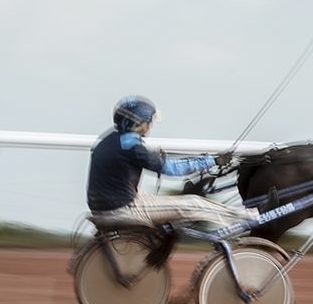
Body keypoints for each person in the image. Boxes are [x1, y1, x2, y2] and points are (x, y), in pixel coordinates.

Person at [87, 95, 246, 231]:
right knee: (193, 203)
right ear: (138, 123)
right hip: (121, 210)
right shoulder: (132, 147)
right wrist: (212, 161)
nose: (149, 126)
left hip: (104, 205)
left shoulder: (110, 140)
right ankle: (247, 217)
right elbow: (173, 169)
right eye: (148, 121)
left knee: (149, 197)